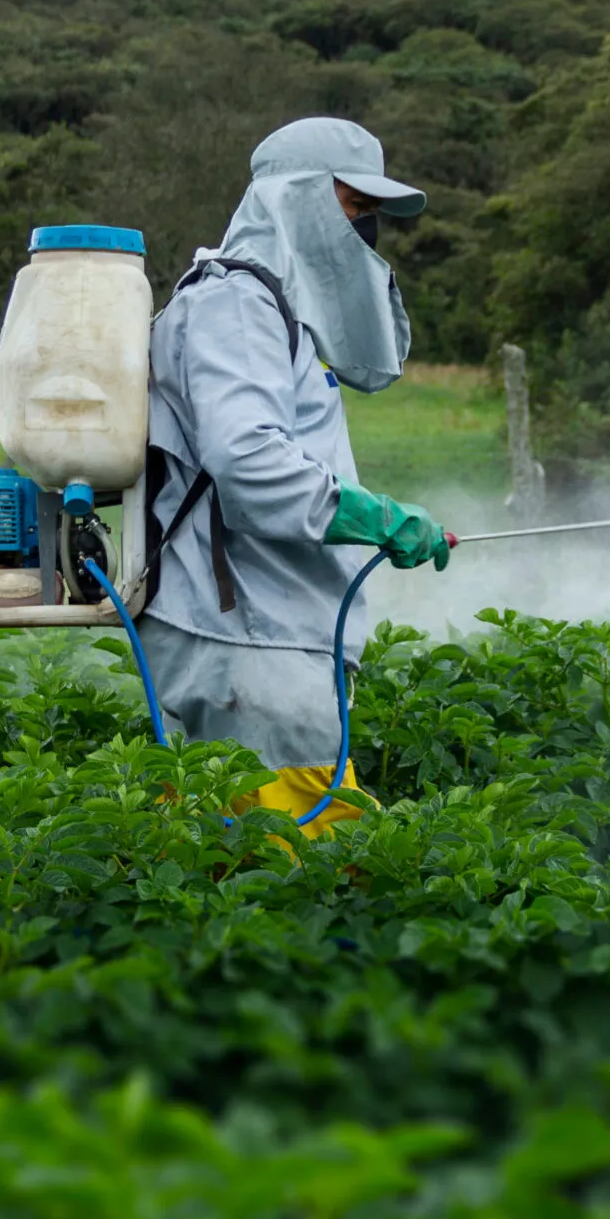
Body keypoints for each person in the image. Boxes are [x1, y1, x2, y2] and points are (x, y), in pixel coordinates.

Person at [138, 117, 450, 831]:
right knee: (301, 883)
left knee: (231, 865)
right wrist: (371, 515)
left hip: (269, 642)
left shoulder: (272, 310)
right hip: (248, 641)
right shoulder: (233, 303)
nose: (363, 232)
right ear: (296, 198)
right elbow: (246, 461)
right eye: (353, 208)